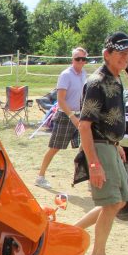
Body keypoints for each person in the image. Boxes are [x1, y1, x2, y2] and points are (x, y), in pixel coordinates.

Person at [74, 32, 128, 255]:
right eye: (121, 53)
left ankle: (72, 233)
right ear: (107, 54)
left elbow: (106, 120)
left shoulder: (116, 80)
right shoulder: (97, 82)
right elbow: (84, 125)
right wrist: (94, 164)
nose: (126, 57)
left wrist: (116, 144)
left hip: (109, 146)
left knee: (119, 201)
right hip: (99, 147)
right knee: (111, 203)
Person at [35, 47, 89, 189]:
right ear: (72, 59)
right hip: (65, 116)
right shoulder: (66, 75)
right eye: (78, 59)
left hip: (80, 115)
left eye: (83, 59)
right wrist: (72, 117)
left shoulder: (84, 74)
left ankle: (88, 178)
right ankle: (40, 177)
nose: (81, 61)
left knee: (87, 146)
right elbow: (60, 100)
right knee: (55, 147)